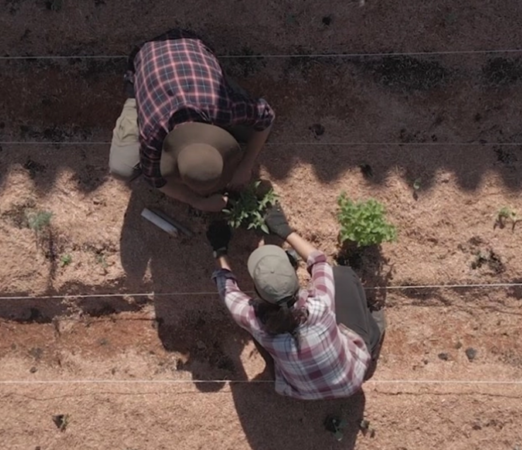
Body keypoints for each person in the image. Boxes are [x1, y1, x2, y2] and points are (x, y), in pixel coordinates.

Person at [206, 205, 386, 400]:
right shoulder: (320, 304)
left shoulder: (255, 321)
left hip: (301, 391)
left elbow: (228, 290)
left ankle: (288, 370)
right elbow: (319, 262)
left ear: (257, 291)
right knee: (341, 275)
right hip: (351, 380)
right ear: (294, 275)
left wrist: (219, 249)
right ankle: (372, 333)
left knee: (258, 337)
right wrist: (284, 230)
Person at [109, 29, 275, 212]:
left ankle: (212, 75)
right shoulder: (153, 134)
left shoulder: (222, 107)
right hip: (145, 59)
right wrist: (196, 201)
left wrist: (246, 165)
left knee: (252, 133)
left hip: (190, 46)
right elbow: (155, 180)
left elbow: (266, 117)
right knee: (122, 169)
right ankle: (138, 96)